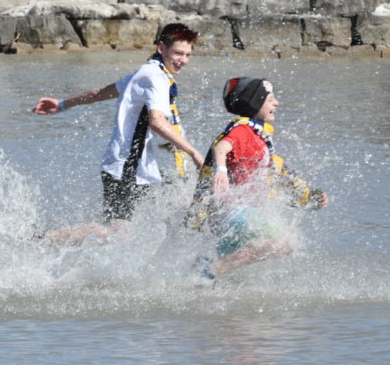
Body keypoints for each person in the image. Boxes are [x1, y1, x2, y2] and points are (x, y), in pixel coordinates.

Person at [32, 23, 205, 245]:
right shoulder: (154, 77)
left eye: (188, 55)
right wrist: (192, 151)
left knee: (168, 208)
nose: (183, 60)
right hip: (125, 167)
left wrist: (64, 104)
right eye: (178, 53)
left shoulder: (148, 71)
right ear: (161, 48)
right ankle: (42, 240)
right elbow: (157, 122)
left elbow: (101, 93)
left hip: (138, 168)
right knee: (115, 234)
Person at [187, 77, 328, 283]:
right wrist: (220, 170)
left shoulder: (258, 135)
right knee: (284, 243)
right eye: (270, 99)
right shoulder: (243, 130)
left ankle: (200, 275)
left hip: (228, 214)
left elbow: (277, 175)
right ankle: (212, 269)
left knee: (226, 266)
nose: (276, 103)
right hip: (231, 210)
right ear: (255, 102)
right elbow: (221, 148)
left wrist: (311, 198)